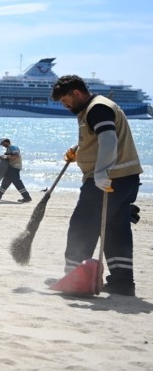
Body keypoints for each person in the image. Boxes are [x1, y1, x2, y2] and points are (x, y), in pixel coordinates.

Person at [50, 75, 143, 296]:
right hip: (126, 177)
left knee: (82, 225)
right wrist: (80, 152)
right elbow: (98, 139)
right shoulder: (93, 108)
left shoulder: (97, 108)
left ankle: (74, 277)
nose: (65, 105)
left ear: (77, 93)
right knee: (115, 229)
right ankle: (122, 282)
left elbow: (109, 139)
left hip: (109, 180)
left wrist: (101, 173)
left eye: (65, 100)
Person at [0, 138, 32, 203]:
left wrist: (5, 157)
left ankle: (27, 197)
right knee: (5, 182)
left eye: (2, 144)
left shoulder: (13, 147)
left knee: (17, 183)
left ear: (6, 142)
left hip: (15, 167)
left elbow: (16, 156)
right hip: (11, 167)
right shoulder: (9, 149)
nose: (2, 145)